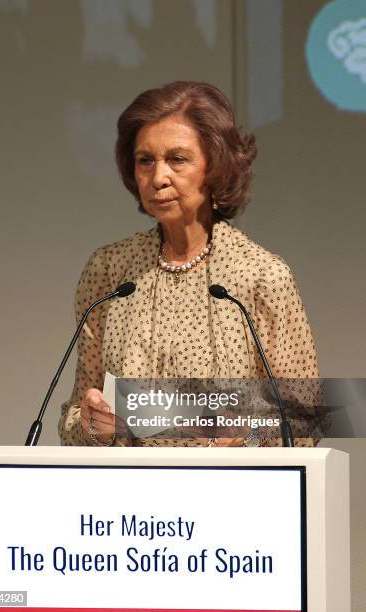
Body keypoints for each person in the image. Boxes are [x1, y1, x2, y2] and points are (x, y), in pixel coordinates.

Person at [58, 81, 320, 447]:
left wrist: (249, 436)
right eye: (145, 161)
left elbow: (303, 420)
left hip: (227, 494)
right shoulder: (110, 271)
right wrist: (90, 427)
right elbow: (76, 413)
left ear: (215, 168)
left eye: (177, 159)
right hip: (128, 498)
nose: (158, 177)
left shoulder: (261, 276)